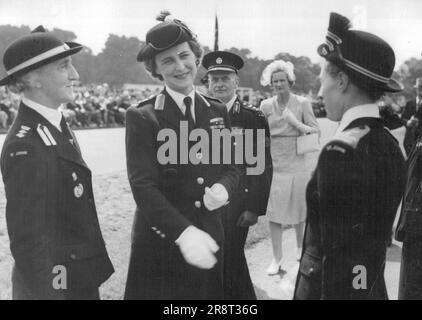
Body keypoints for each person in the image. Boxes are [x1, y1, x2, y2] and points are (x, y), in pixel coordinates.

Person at [124, 12, 239, 300]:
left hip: (210, 234)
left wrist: (225, 187)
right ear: (156, 70)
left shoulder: (216, 110)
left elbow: (232, 167)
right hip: (163, 242)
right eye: (168, 61)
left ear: (196, 57)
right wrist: (184, 232)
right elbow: (143, 186)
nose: (180, 66)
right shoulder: (143, 116)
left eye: (184, 55)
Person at [293, 12, 406, 300]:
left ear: (341, 80)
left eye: (323, 80)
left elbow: (343, 255)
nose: (320, 91)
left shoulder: (340, 151)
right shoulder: (390, 144)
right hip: (369, 289)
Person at [0, 26, 114, 300]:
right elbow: (30, 242)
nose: (75, 75)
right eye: (64, 66)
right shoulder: (25, 145)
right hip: (56, 284)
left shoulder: (54, 123)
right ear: (33, 78)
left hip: (77, 272)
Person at [202, 50, 273, 299]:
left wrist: (254, 208)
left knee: (231, 258)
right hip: (207, 203)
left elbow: (261, 166)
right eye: (214, 79)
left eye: (225, 78)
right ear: (208, 82)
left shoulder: (252, 117)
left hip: (238, 205)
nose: (219, 84)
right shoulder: (201, 114)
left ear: (236, 82)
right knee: (211, 260)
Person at [259, 59, 320, 275]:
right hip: (275, 166)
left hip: (298, 164)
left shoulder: (302, 103)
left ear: (289, 81)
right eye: (274, 81)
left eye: (282, 80)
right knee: (274, 214)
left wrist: (295, 123)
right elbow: (261, 136)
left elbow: (315, 131)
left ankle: (300, 250)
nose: (278, 84)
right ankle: (276, 259)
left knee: (299, 212)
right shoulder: (265, 106)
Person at [402, 78, 422, 156]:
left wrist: (419, 122)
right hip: (409, 141)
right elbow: (402, 118)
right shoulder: (409, 103)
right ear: (416, 89)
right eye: (419, 88)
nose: (421, 91)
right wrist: (408, 122)